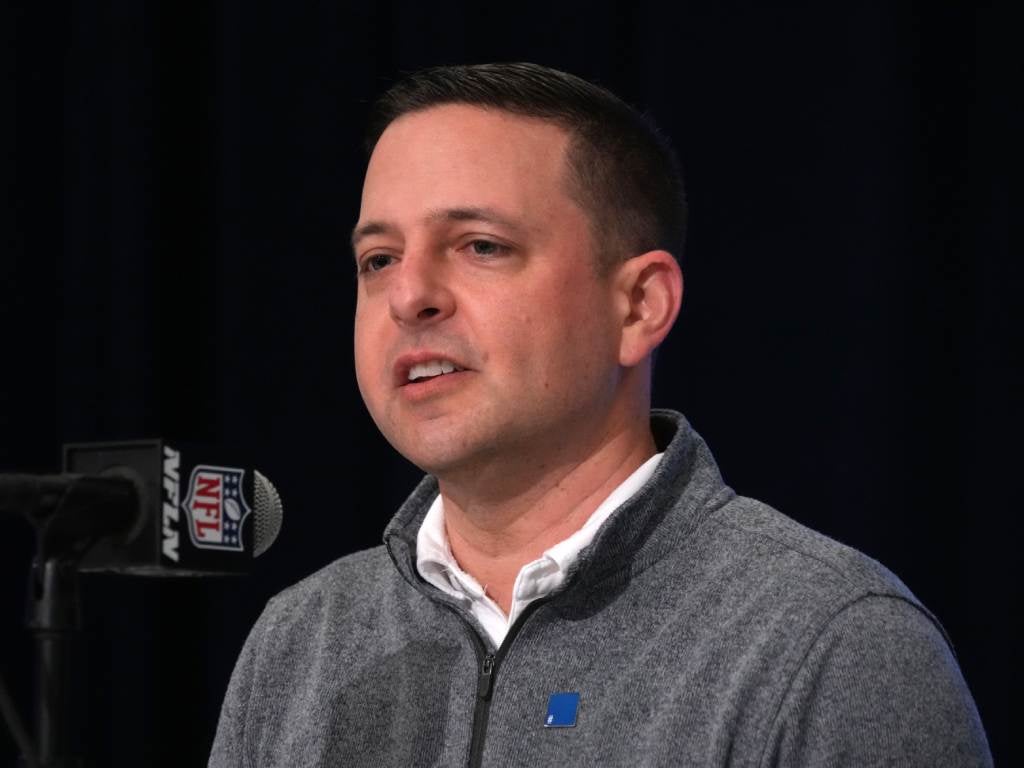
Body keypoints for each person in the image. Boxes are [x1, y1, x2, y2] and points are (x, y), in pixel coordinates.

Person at [209, 63, 991, 767]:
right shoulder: (301, 642)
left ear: (639, 306)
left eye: (481, 246)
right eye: (378, 259)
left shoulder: (830, 642)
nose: (409, 296)